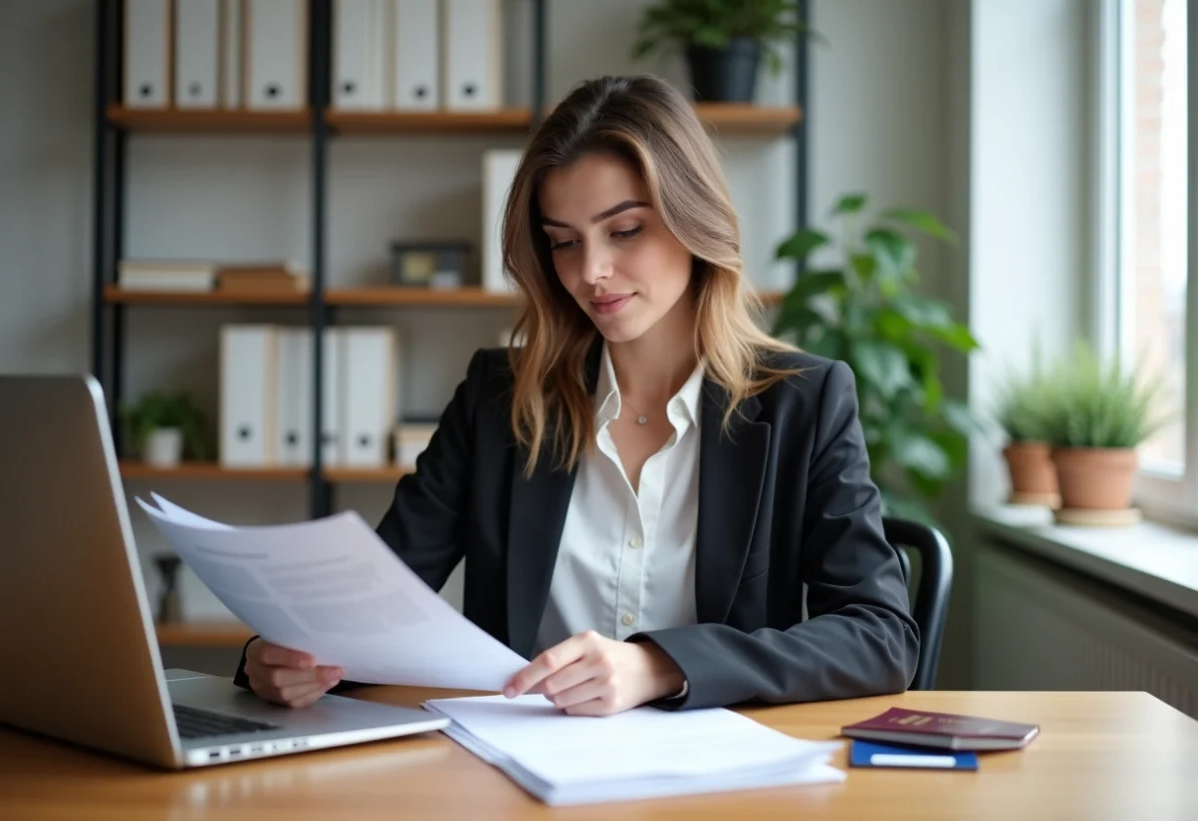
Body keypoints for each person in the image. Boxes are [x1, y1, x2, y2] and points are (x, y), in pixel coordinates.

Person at [235, 74, 919, 715]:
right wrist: (280, 658)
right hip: (515, 777)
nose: (591, 272)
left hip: (715, 787)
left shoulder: (805, 401)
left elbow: (881, 636)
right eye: (563, 243)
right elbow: (370, 609)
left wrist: (659, 665)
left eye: (625, 231)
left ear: (694, 220)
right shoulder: (497, 398)